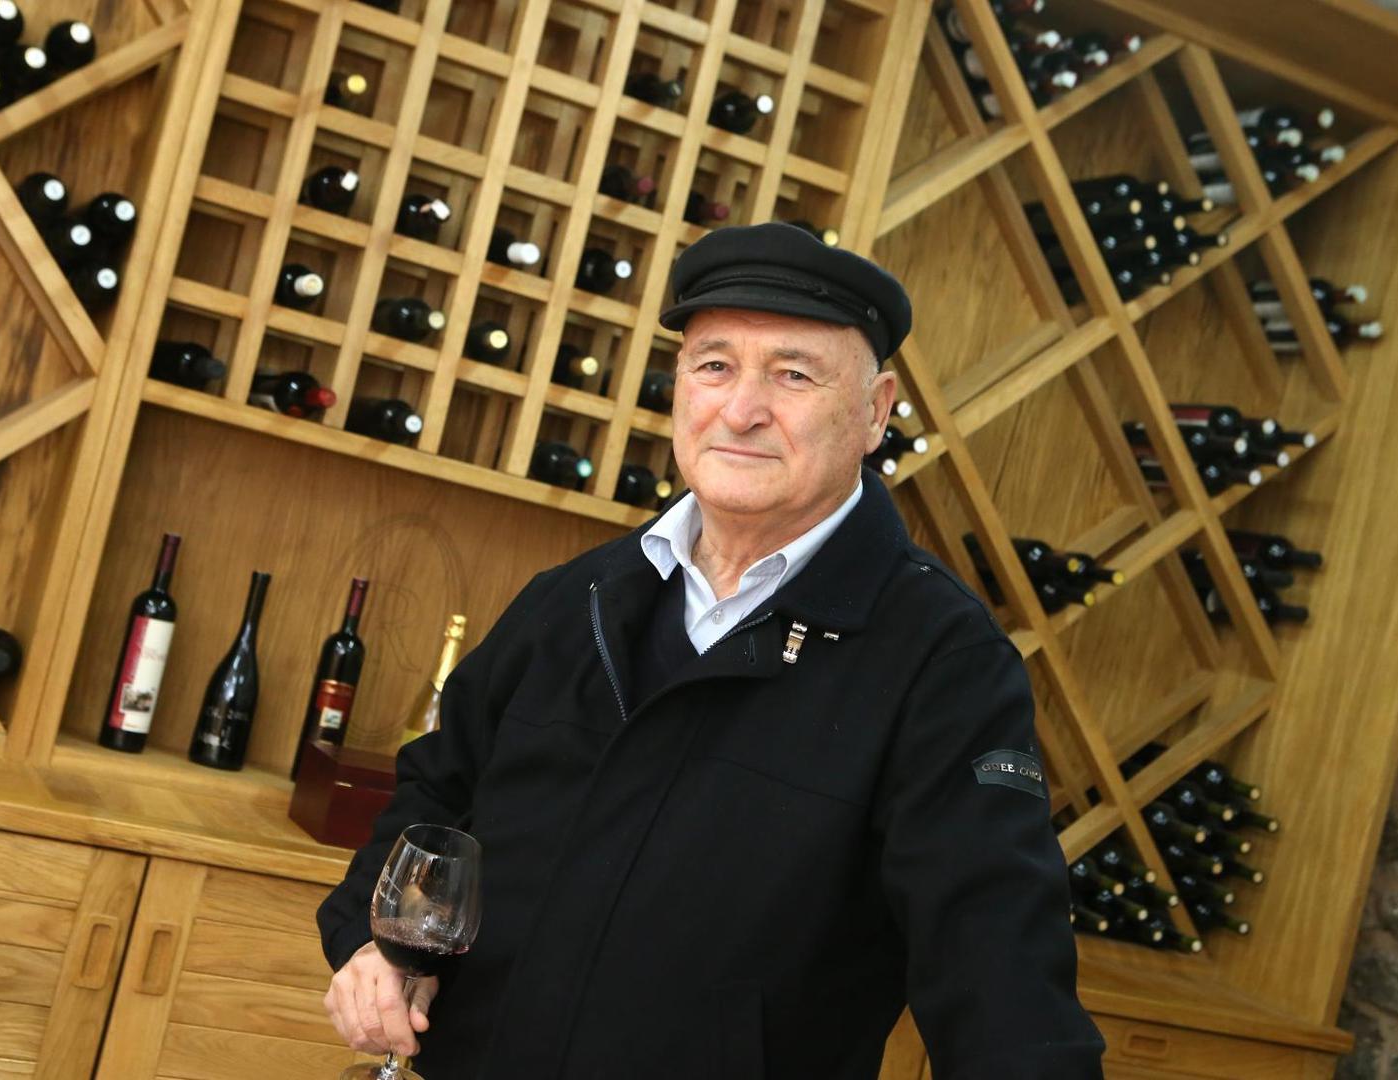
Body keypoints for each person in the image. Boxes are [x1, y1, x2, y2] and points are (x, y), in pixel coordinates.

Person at [318, 221, 1106, 1078]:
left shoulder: (943, 661)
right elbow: (436, 796)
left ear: (875, 411)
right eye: (715, 366)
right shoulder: (576, 599)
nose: (741, 409)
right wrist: (376, 940)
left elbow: (999, 969)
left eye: (794, 374)